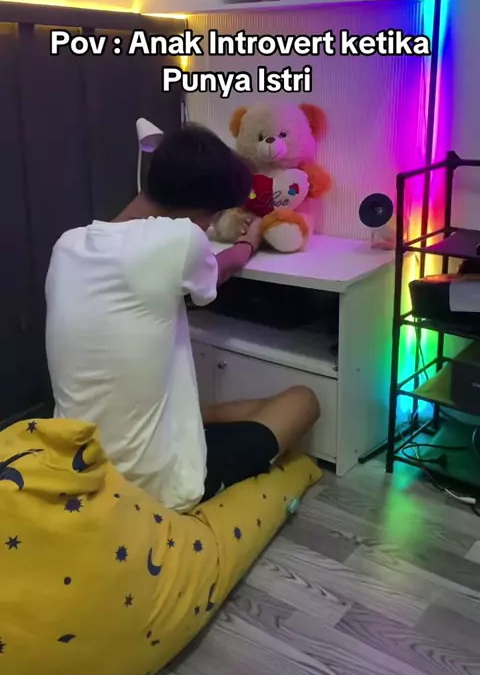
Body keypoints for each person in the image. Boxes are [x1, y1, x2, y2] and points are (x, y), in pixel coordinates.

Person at [45, 124, 320, 512]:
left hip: (75, 461)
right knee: (303, 400)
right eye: (213, 215)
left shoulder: (67, 243)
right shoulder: (181, 240)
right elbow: (220, 270)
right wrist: (250, 240)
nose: (209, 225)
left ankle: (194, 419)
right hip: (151, 484)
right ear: (201, 209)